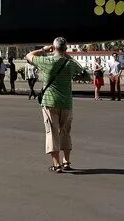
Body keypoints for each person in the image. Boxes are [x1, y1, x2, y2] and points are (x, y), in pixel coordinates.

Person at [26, 37, 83, 173]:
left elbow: (28, 56)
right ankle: (67, 161)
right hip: (67, 103)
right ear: (65, 48)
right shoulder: (69, 64)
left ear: (54, 48)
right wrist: (66, 54)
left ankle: (57, 164)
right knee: (65, 132)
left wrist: (43, 50)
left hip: (50, 102)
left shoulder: (47, 61)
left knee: (52, 132)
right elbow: (81, 69)